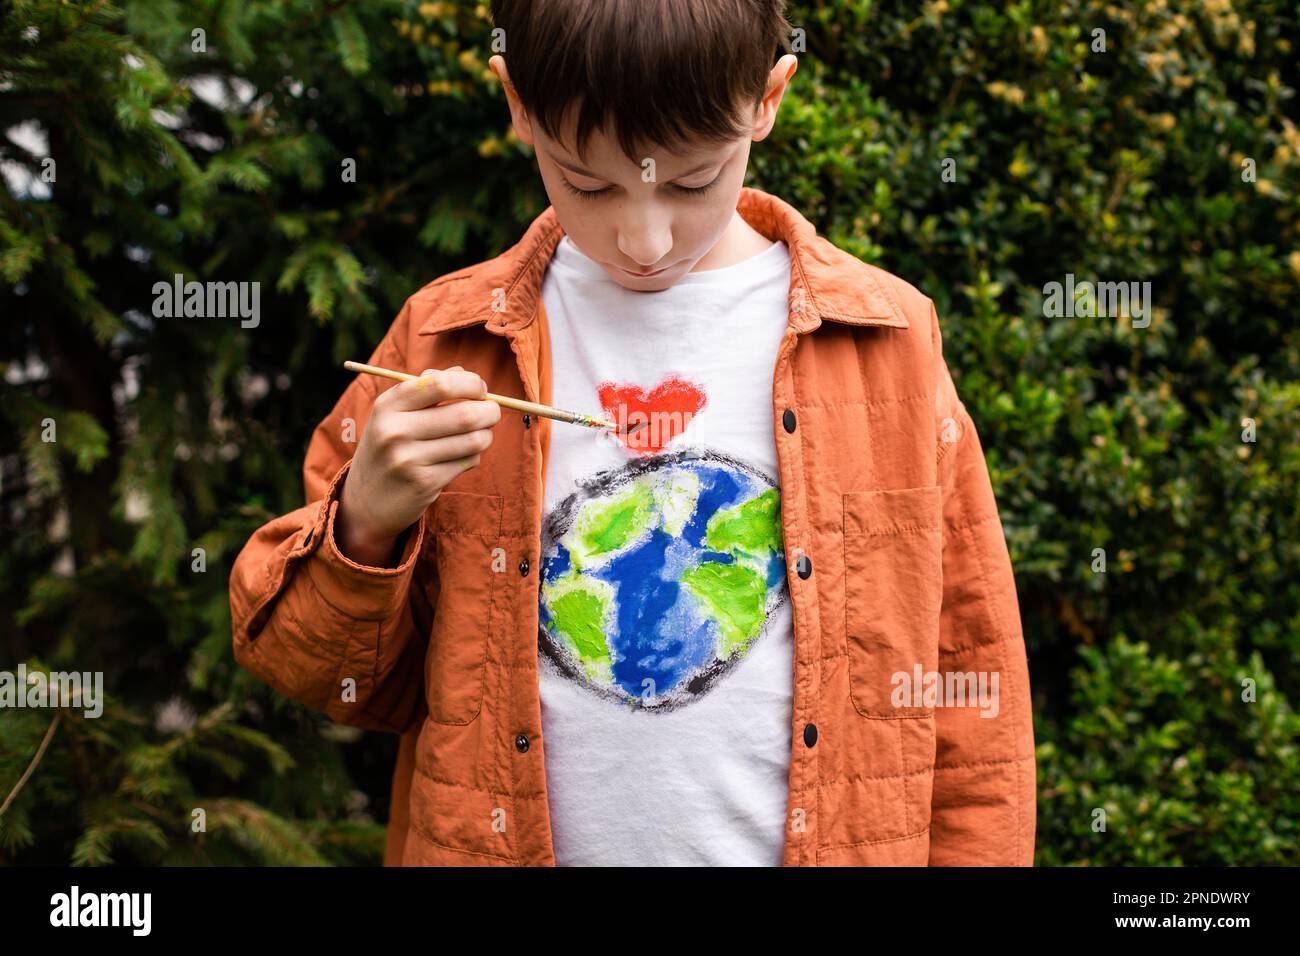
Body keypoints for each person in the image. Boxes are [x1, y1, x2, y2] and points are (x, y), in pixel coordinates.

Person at [229, 0, 1036, 866]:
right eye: (588, 183)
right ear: (517, 104)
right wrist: (367, 522)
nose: (643, 241)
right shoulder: (444, 339)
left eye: (692, 182)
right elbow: (325, 675)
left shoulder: (885, 341)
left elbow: (971, 686)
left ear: (768, 98)